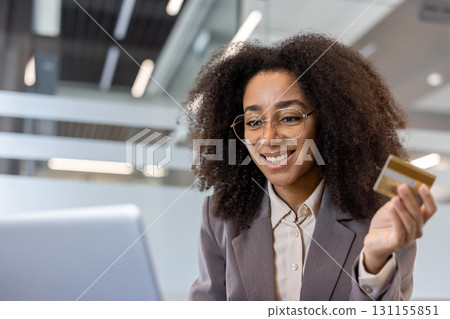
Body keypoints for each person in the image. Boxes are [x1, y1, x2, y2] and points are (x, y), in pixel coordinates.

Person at [185, 33, 437, 301]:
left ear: (329, 122)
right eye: (254, 122)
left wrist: (374, 260)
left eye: (290, 117)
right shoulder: (220, 215)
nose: (268, 139)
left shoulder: (384, 212)